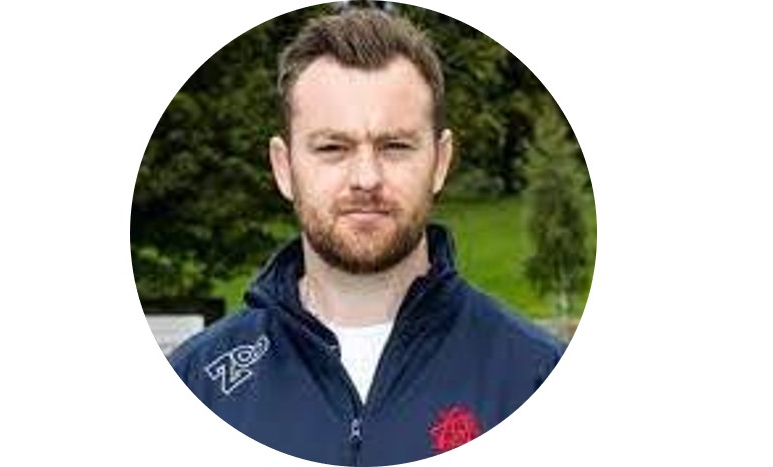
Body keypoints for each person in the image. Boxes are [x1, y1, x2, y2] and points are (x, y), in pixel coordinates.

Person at [165, 8, 564, 465]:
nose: (366, 178)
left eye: (395, 147)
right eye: (332, 148)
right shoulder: (194, 387)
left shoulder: (536, 378)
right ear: (284, 167)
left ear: (439, 162)